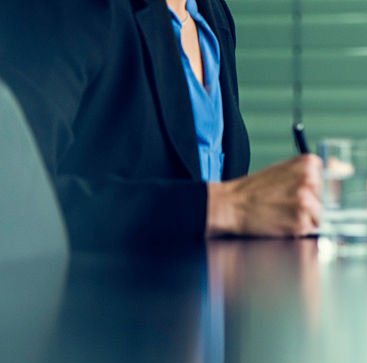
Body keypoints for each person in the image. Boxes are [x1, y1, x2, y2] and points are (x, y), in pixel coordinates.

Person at [0, 0, 320, 248]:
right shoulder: (66, 9)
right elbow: (12, 203)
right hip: (89, 325)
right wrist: (219, 208)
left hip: (199, 322)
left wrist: (307, 205)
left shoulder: (210, 14)